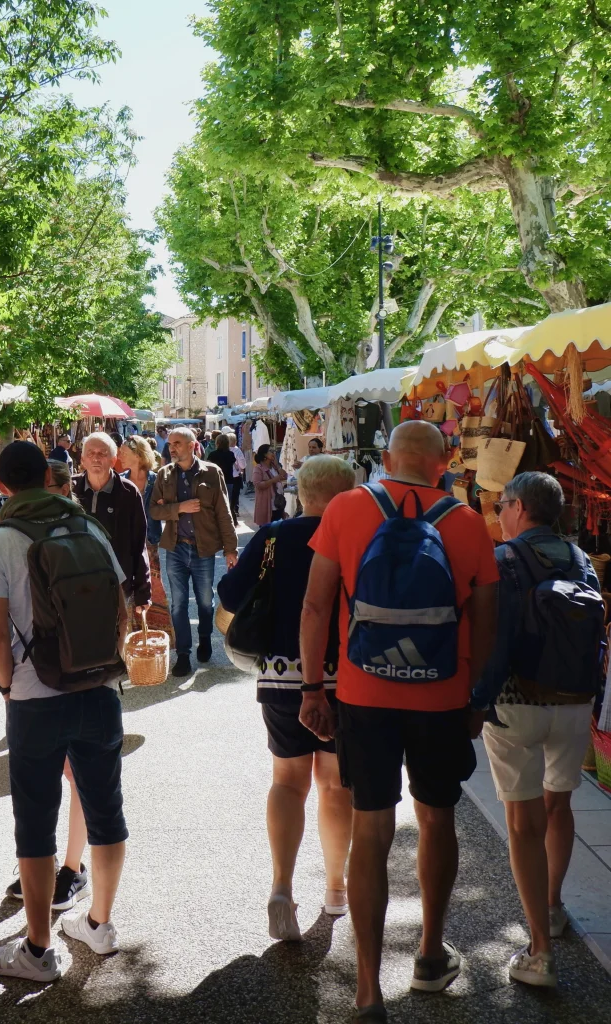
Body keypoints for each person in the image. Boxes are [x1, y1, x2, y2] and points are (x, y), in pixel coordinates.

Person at [299, 421, 499, 1015]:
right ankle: (431, 955)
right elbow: (487, 621)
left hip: (365, 695)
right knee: (437, 821)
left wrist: (314, 688)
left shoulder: (346, 508)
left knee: (372, 830)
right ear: (443, 464)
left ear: (386, 458)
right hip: (440, 697)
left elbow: (315, 605)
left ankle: (365, 988)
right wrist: (477, 699)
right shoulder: (466, 523)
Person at [0, 442, 129, 982]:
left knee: (35, 820)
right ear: (48, 474)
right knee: (106, 811)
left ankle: (38, 949)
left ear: (0, 486)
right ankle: (100, 926)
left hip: (36, 697)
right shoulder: (90, 528)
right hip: (100, 689)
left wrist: (6, 686)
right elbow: (121, 611)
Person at [472, 472, 601, 989]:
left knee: (523, 823)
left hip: (516, 703)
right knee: (560, 804)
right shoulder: (582, 560)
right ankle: (552, 907)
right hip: (573, 701)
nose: (498, 512)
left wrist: (477, 702)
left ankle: (539, 952)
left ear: (520, 508)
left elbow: (494, 638)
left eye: (501, 504)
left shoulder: (503, 560)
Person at [218, 456, 355, 940]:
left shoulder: (274, 536)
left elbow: (231, 595)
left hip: (281, 674)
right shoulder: (355, 537)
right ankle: (336, 890)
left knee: (288, 781)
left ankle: (281, 887)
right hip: (345, 679)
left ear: (303, 492)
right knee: (336, 786)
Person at [5, 459, 90, 911]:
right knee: (77, 780)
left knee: (49, 786)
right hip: (87, 675)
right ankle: (60, 869)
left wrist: (4, 685)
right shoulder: (87, 529)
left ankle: (63, 870)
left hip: (37, 679)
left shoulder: (4, 537)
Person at [150, 428, 238, 676]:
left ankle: (205, 637)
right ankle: (184, 655)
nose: (172, 448)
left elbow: (224, 511)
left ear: (192, 445)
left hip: (204, 548)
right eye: (170, 444)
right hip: (176, 548)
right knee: (178, 604)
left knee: (204, 601)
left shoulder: (212, 472)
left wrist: (230, 548)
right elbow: (154, 511)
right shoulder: (164, 475)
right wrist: (180, 507)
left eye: (177, 443)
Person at [73, 432, 151, 619]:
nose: (96, 458)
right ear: (83, 459)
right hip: (76, 580)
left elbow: (138, 543)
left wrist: (143, 590)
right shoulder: (70, 489)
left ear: (113, 459)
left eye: (102, 453)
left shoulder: (128, 492)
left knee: (115, 637)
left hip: (117, 582)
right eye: (91, 453)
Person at [119, 436, 175, 645]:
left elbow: (168, 508)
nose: (120, 456)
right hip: (126, 545)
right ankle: (133, 640)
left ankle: (157, 637)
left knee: (154, 590)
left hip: (150, 543)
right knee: (128, 592)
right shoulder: (120, 480)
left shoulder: (157, 480)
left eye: (124, 452)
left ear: (138, 454)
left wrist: (164, 503)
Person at [253, 445, 287, 527]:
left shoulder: (274, 466)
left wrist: (277, 465)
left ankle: (273, 541)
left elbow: (285, 476)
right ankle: (269, 541)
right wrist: (273, 480)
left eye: (274, 451)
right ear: (265, 454)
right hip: (267, 504)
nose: (274, 453)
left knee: (276, 532)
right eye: (271, 451)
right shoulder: (258, 468)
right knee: (267, 533)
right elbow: (257, 484)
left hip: (278, 504)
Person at [227, 432, 246, 526]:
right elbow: (243, 465)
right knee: (234, 497)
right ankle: (234, 512)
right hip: (235, 477)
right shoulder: (237, 451)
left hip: (224, 477)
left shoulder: (222, 451)